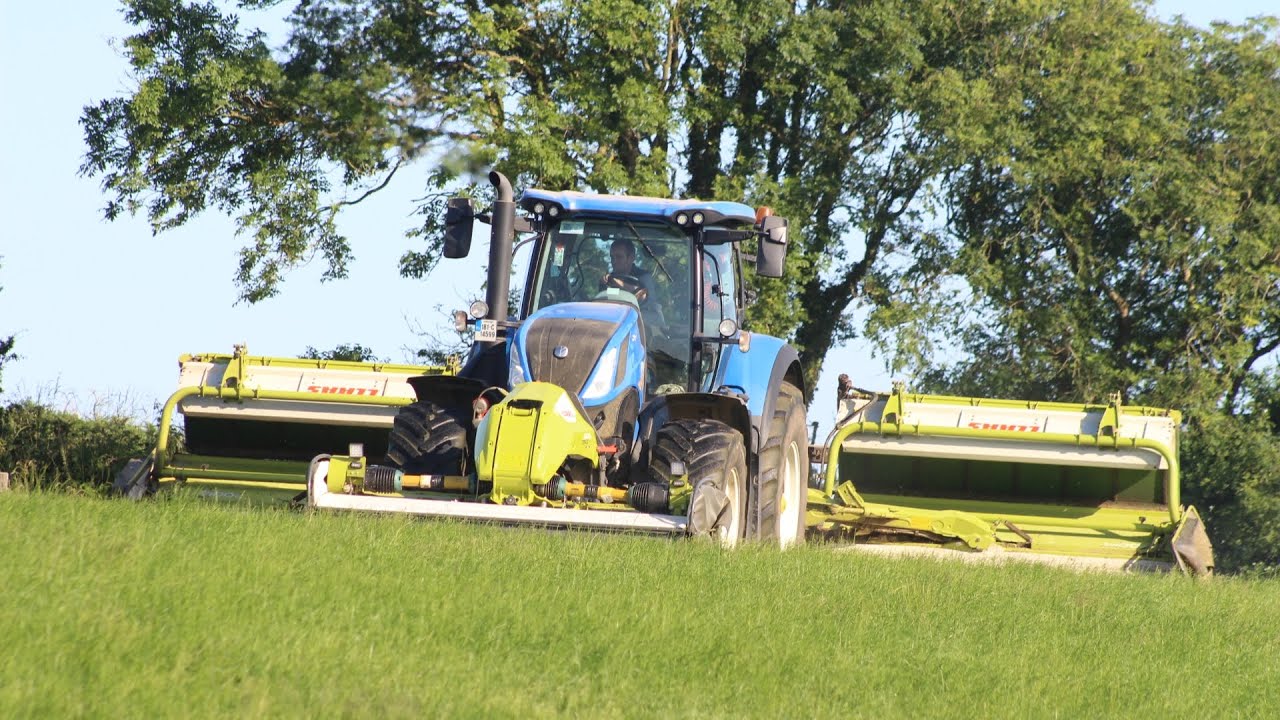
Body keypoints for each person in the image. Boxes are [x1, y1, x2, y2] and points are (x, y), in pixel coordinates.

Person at [602, 238, 656, 306]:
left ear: (631, 258)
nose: (614, 261)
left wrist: (619, 283)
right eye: (612, 257)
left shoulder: (644, 277)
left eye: (619, 257)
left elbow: (644, 298)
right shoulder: (609, 279)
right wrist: (603, 284)